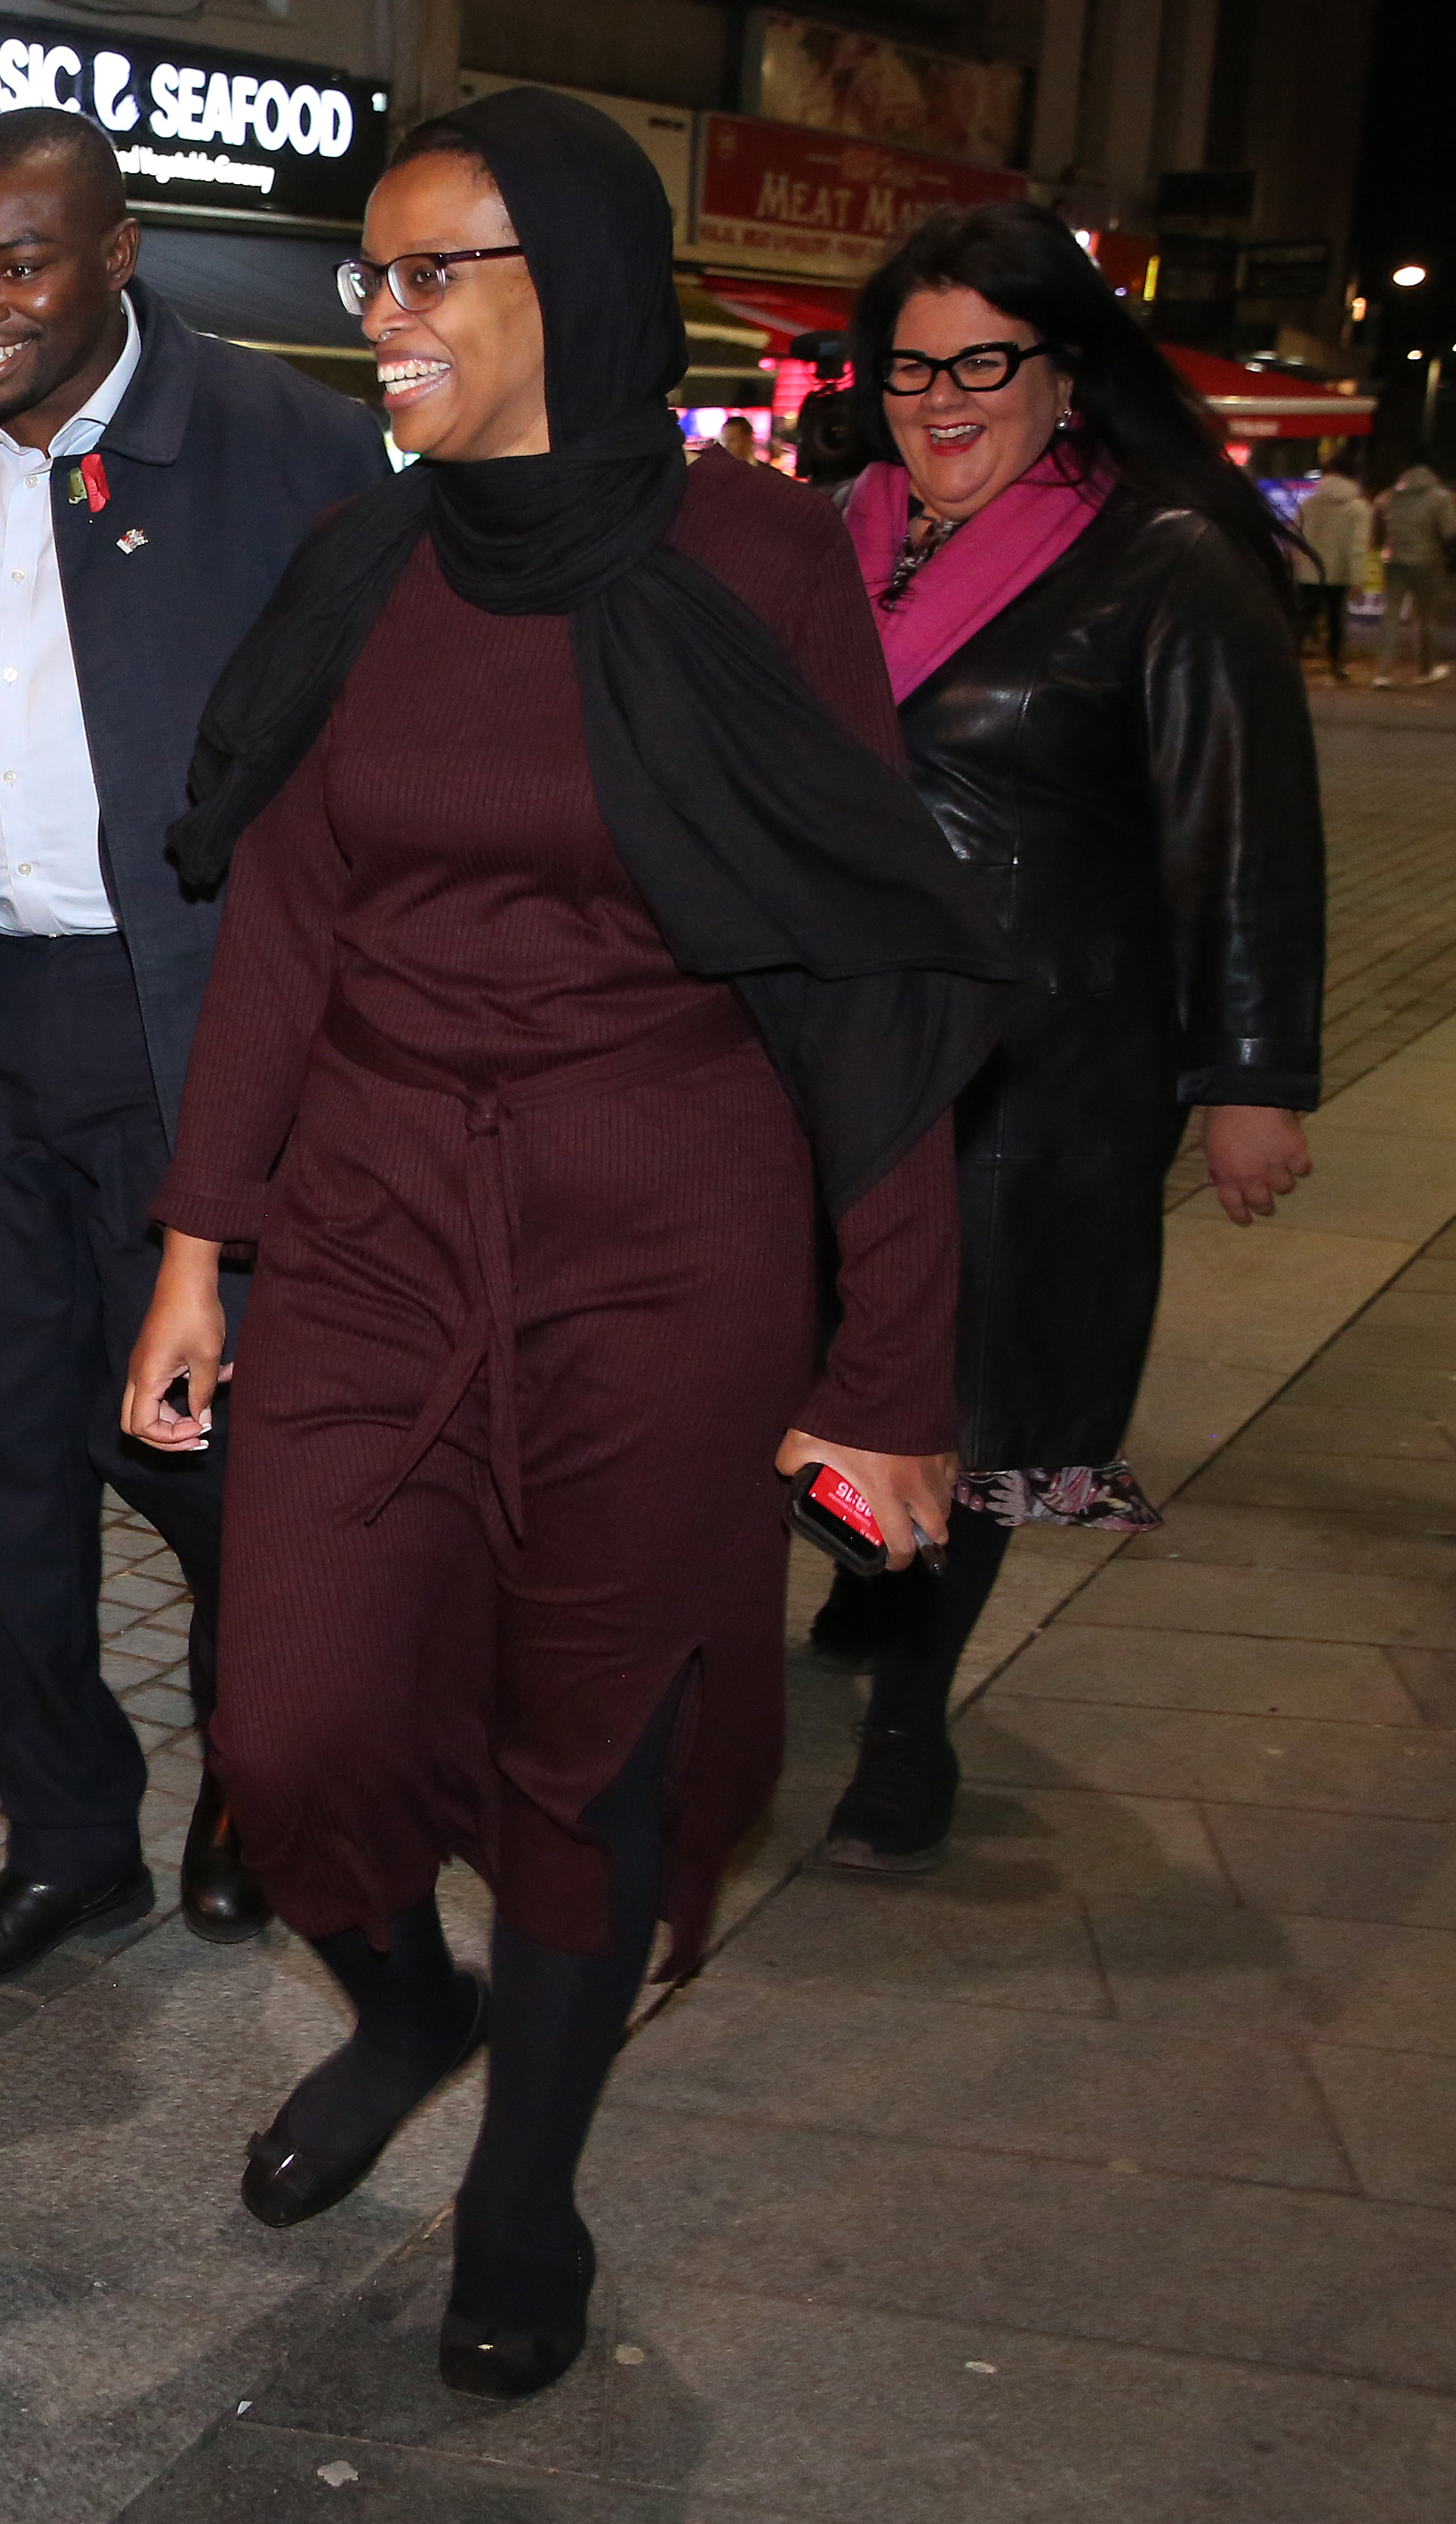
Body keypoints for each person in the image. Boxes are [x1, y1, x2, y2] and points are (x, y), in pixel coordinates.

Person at [122, 89, 1009, 2400]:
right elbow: (290, 924)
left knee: (592, 1739)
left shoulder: (752, 560)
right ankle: (407, 1999)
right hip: (381, 1213)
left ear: (574, 295)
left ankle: (531, 2168)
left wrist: (891, 1367)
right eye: (368, 280)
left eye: (431, 279)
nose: (381, 324)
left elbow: (856, 965)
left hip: (666, 1230)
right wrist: (200, 1244)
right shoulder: (364, 564)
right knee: (291, 1718)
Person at [0, 109, 389, 1984]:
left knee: (214, 1455)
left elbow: (352, 771)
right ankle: (63, 1836)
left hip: (189, 1026)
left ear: (117, 258)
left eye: (19, 261)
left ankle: (250, 1760)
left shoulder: (281, 441)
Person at [801, 202, 1324, 1868]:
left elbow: (1239, 832)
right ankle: (869, 1572)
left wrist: (1246, 1078)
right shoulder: (825, 534)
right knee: (809, 1356)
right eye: (909, 363)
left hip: (1039, 1069)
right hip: (819, 1052)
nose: (942, 396)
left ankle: (907, 1711)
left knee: (985, 1397)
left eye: (983, 360)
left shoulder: (1160, 552)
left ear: (1061, 367)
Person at [1293, 458, 1369, 682]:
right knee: (1336, 620)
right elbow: (1357, 547)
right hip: (1339, 574)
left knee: (1304, 619)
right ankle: (1336, 665)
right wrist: (1357, 579)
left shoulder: (1308, 504)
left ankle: (1291, 662)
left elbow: (1295, 536)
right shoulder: (1358, 507)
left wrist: (1298, 564)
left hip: (1309, 572)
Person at [1377, 461, 1452, 685]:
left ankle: (1382, 674)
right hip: (1426, 562)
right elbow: (1450, 531)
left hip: (1394, 561)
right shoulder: (1440, 498)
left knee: (1391, 615)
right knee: (1425, 616)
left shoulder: (1388, 497)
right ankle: (1427, 668)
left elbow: (1377, 530)